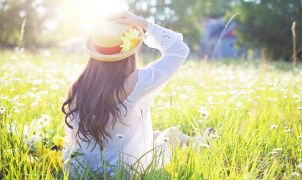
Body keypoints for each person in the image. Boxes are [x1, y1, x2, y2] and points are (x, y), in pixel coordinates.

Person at [62, 11, 214, 177]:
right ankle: (202, 143)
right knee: (171, 134)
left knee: (153, 134)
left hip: (83, 170)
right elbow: (179, 50)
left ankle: (199, 141)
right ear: (129, 52)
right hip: (127, 171)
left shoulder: (77, 86)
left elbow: (73, 140)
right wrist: (142, 22)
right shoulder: (134, 82)